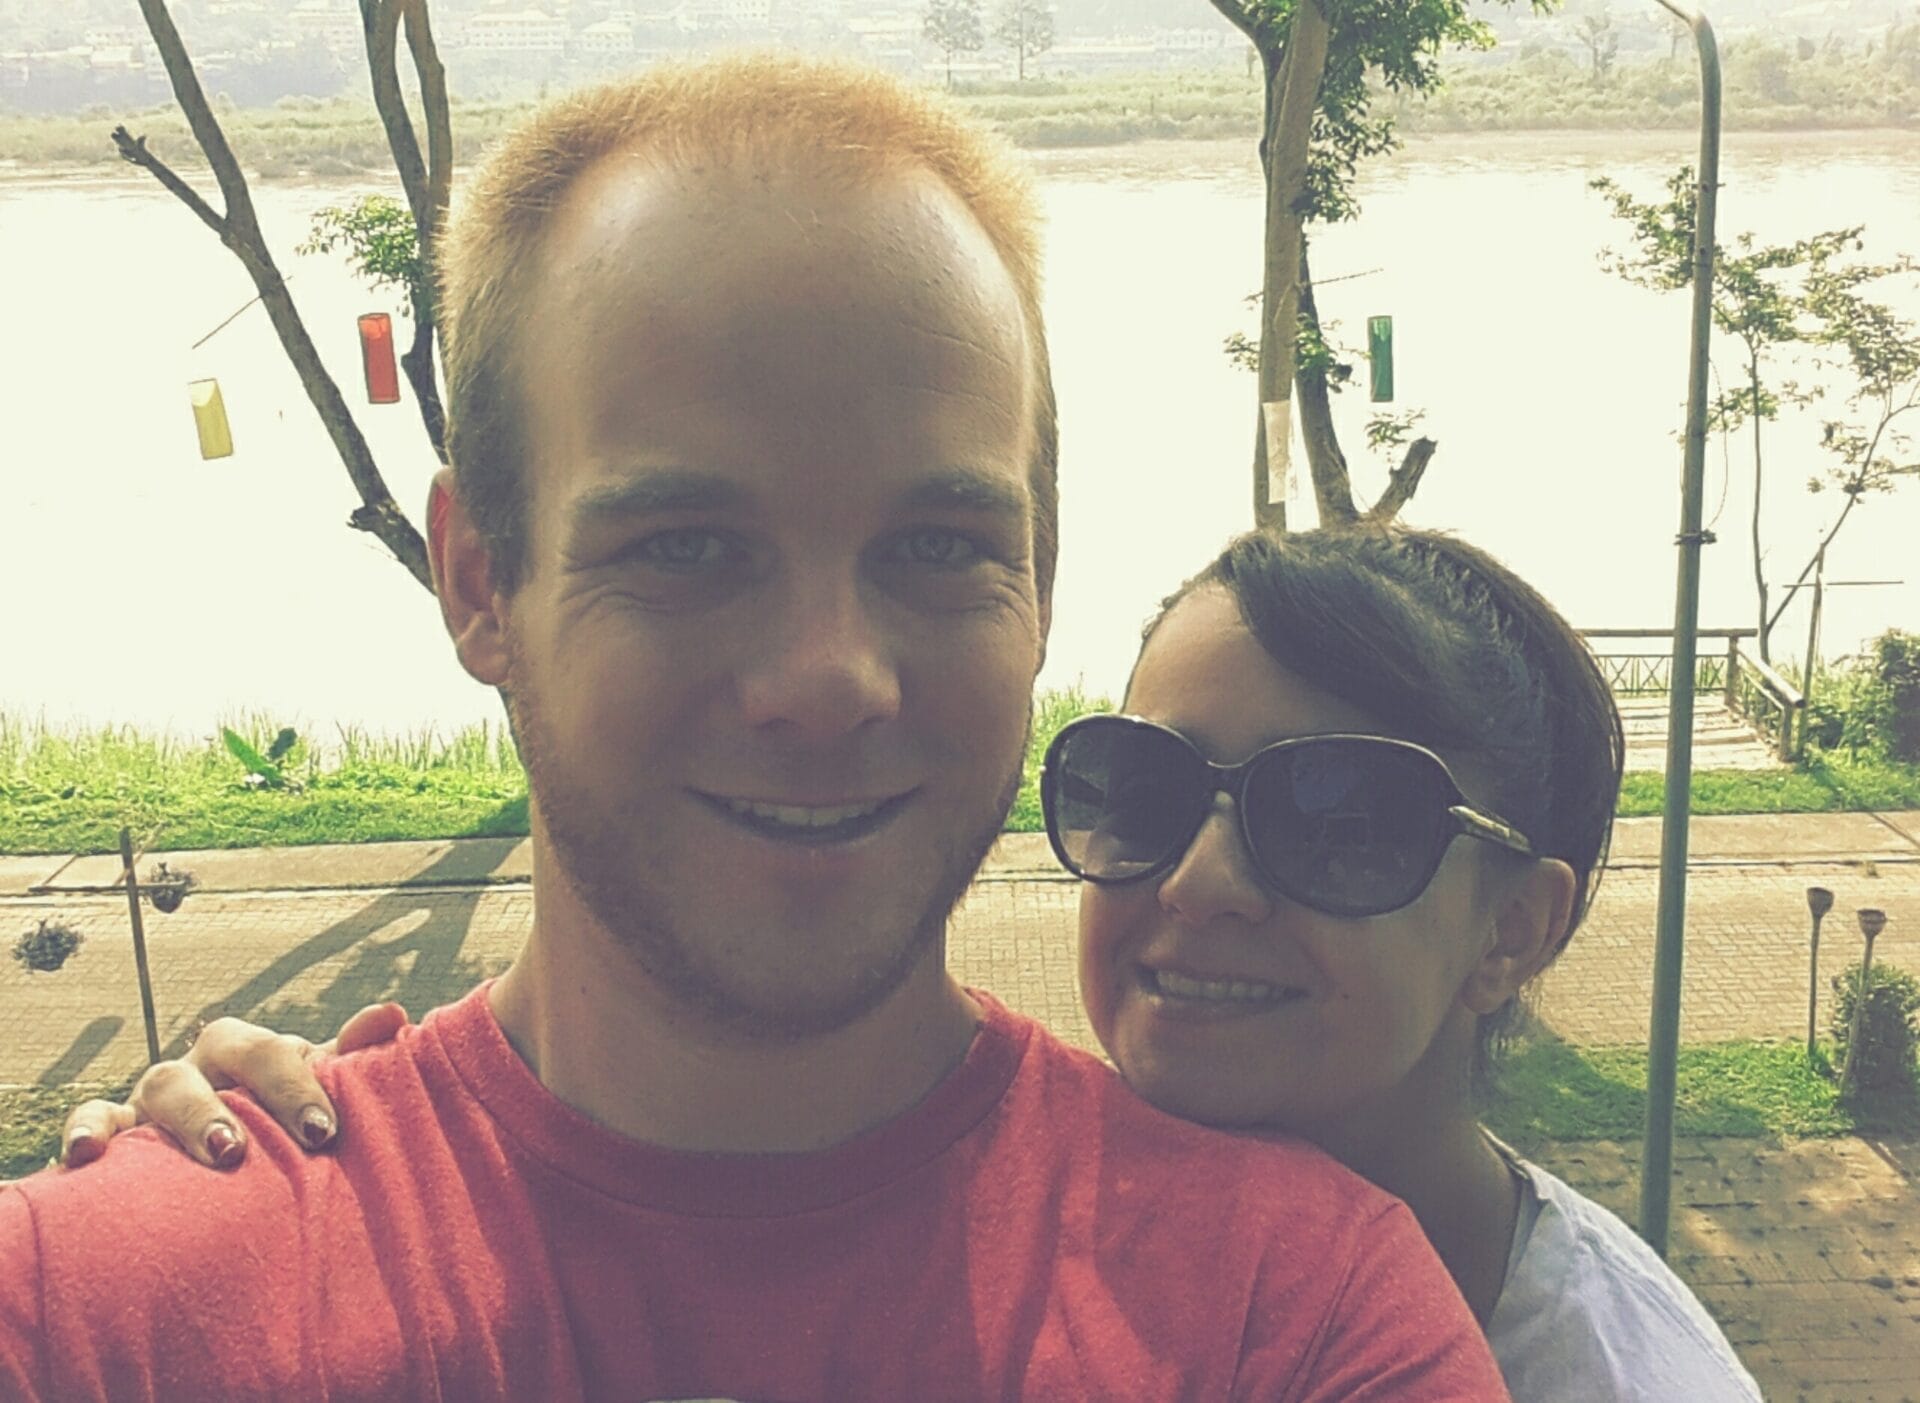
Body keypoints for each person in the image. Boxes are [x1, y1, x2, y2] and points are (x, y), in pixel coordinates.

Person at [2, 56, 1509, 1401]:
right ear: (480, 584)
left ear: (1041, 581)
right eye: (687, 546)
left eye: (933, 546)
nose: (832, 677)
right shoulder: (105, 1309)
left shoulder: (1295, 1322)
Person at [105, 525, 1764, 1400]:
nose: (1203, 880)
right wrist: (255, 1197)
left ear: (1516, 931)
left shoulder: (1607, 1378)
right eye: (1145, 788)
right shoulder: (1065, 1236)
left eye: (1335, 820)